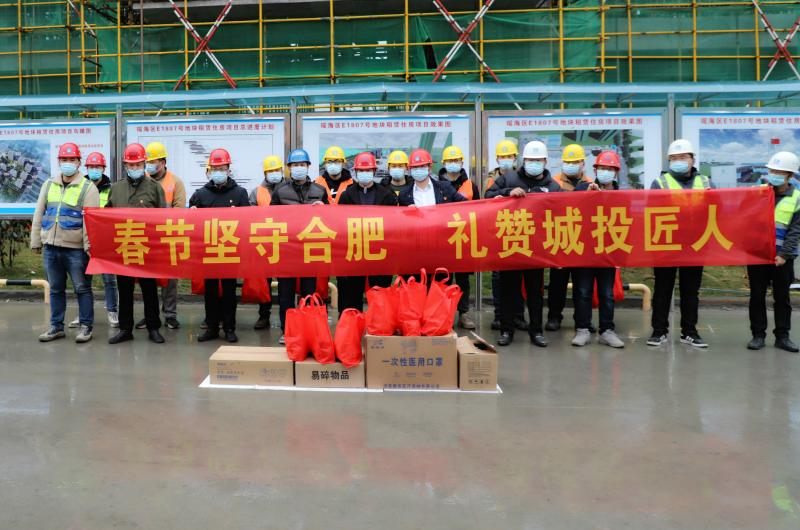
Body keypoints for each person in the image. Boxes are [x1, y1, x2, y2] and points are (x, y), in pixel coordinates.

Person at [485, 140, 561, 347]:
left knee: (535, 292)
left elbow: (563, 212)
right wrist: (508, 193)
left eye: (538, 160)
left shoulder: (553, 186)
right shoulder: (508, 179)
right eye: (530, 160)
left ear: (545, 161)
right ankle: (506, 330)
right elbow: (488, 196)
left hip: (536, 248)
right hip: (512, 243)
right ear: (523, 160)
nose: (534, 164)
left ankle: (536, 331)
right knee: (508, 291)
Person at [647, 138, 714, 348]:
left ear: (693, 159)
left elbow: (716, 210)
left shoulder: (706, 183)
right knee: (662, 290)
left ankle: (689, 332)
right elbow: (651, 213)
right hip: (667, 244)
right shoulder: (660, 183)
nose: (678, 161)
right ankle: (659, 331)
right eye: (674, 158)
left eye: (683, 157)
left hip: (695, 245)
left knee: (690, 291)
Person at [31, 142, 99, 343]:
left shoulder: (88, 188)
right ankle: (56, 327)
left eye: (72, 159)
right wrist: (36, 240)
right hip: (51, 248)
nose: (68, 163)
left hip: (76, 250)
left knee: (82, 288)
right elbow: (39, 213)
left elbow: (90, 222)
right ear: (59, 161)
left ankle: (86, 327)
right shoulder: (48, 184)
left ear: (78, 162)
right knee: (55, 289)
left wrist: (89, 248)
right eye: (64, 159)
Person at [106, 143, 166, 345]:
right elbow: (106, 216)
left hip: (147, 247)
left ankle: (153, 327)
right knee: (124, 290)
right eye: (131, 165)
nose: (135, 168)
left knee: (150, 290)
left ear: (144, 164)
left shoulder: (154, 187)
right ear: (125, 165)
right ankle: (125, 329)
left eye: (138, 164)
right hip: (124, 247)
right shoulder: (116, 188)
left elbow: (163, 218)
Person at [190, 148, 250, 343]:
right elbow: (190, 224)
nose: (219, 172)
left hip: (230, 250)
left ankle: (229, 327)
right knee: (211, 291)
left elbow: (248, 223)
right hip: (208, 251)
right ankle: (212, 327)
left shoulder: (240, 193)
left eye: (222, 168)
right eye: (215, 168)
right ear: (209, 170)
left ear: (228, 170)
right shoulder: (200, 194)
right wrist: (191, 212)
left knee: (229, 291)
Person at [271, 148, 329, 345]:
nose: (298, 168)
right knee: (285, 295)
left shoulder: (319, 191)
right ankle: (287, 330)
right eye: (295, 165)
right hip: (287, 251)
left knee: (309, 293)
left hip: (310, 250)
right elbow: (270, 219)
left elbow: (330, 220)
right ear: (289, 168)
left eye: (302, 165)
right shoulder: (280, 191)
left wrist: (324, 210)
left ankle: (308, 330)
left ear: (308, 166)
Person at [571, 150, 625, 348]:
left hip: (608, 251)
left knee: (606, 293)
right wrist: (587, 195)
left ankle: (607, 330)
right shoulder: (583, 188)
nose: (605, 172)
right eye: (602, 168)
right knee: (583, 291)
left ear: (616, 172)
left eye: (609, 169)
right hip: (586, 251)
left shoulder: (622, 195)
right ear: (595, 170)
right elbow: (571, 209)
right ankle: (582, 329)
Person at [747, 151, 800, 353]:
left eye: (779, 172)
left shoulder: (797, 198)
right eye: (772, 171)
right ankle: (758, 335)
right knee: (757, 296)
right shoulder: (758, 192)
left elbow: (795, 230)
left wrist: (784, 255)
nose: (774, 175)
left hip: (782, 258)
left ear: (789, 175)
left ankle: (783, 337)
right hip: (758, 256)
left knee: (782, 298)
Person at [337, 152, 398, 314]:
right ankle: (351, 324)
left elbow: (394, 224)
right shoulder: (347, 195)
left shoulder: (387, 195)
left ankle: (380, 325)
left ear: (374, 171)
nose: (365, 173)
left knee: (380, 294)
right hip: (354, 253)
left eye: (368, 170)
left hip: (379, 253)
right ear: (356, 172)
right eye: (361, 171)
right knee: (350, 296)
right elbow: (340, 223)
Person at [136, 141, 186, 331]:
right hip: (146, 237)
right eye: (147, 161)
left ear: (163, 162)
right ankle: (150, 314)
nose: (149, 165)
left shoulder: (175, 182)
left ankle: (170, 315)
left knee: (170, 279)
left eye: (153, 161)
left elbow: (179, 210)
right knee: (147, 280)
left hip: (168, 237)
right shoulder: (142, 180)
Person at [67, 151, 118, 329]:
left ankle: (112, 311)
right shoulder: (80, 186)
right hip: (83, 239)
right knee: (82, 281)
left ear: (103, 168)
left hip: (105, 241)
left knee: (109, 280)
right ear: (86, 168)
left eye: (98, 167)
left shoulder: (112, 189)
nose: (94, 170)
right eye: (91, 167)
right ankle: (83, 314)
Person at [546, 144, 593, 332]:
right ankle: (554, 317)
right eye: (568, 162)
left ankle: (583, 319)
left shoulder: (591, 183)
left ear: (582, 163)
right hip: (560, 239)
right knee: (557, 284)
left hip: (582, 241)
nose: (571, 165)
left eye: (575, 162)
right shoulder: (554, 183)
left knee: (583, 286)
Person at [486, 139, 527, 332]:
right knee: (498, 278)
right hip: (497, 233)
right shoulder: (490, 180)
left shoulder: (522, 177)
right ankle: (499, 316)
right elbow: (486, 198)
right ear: (497, 159)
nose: (505, 160)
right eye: (502, 157)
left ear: (515, 158)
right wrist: (506, 193)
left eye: (509, 156)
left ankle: (518, 316)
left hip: (520, 231)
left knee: (519, 278)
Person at [437, 145, 480, 330]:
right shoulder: (435, 185)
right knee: (442, 278)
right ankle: (442, 314)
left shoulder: (471, 186)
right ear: (443, 163)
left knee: (463, 279)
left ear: (462, 163)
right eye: (450, 161)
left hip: (463, 238)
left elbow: (479, 210)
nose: (453, 164)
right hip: (441, 240)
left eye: (456, 160)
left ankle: (463, 313)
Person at [248, 155, 284, 330]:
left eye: (277, 170)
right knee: (264, 282)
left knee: (286, 284)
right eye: (270, 171)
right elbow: (249, 216)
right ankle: (264, 315)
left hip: (285, 243)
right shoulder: (257, 192)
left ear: (282, 171)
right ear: (265, 173)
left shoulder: (289, 189)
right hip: (264, 243)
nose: (274, 173)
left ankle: (289, 316)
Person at [398, 148, 467, 207]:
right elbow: (399, 216)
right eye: (415, 167)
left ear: (430, 167)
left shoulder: (445, 188)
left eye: (422, 166)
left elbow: (466, 205)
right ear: (410, 169)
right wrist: (407, 213)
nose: (418, 169)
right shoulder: (404, 194)